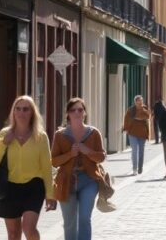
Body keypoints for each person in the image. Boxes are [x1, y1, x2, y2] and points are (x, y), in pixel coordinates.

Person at [0, 96, 56, 240]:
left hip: (33, 187)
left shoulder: (40, 137)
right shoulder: (5, 134)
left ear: (32, 113)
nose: (21, 113)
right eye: (17, 109)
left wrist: (50, 195)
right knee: (13, 234)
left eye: (25, 109)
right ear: (13, 112)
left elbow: (46, 167)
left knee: (29, 229)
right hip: (9, 188)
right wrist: (3, 143)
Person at [52, 98, 107, 240]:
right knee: (69, 223)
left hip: (88, 180)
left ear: (85, 113)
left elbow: (101, 157)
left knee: (84, 218)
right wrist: (70, 154)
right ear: (68, 114)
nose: (77, 112)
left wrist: (87, 151)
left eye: (80, 110)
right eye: (73, 110)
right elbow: (54, 161)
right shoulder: (60, 135)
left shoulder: (94, 133)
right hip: (66, 181)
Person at [122, 95, 151, 175]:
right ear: (135, 102)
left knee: (141, 151)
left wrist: (141, 111)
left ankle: (140, 167)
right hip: (132, 132)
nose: (140, 102)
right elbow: (126, 119)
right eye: (138, 101)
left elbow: (148, 116)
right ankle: (134, 168)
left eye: (141, 101)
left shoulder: (145, 109)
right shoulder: (131, 110)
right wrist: (126, 128)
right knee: (134, 150)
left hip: (142, 133)